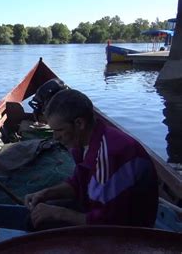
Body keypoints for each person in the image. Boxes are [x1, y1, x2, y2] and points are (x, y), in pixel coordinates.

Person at [24, 89, 158, 229]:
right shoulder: (81, 144)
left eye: (59, 130)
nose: (55, 137)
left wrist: (59, 213)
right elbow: (78, 184)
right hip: (99, 213)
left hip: (130, 232)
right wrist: (45, 194)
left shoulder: (109, 154)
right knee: (36, 216)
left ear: (79, 123)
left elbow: (108, 223)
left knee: (40, 223)